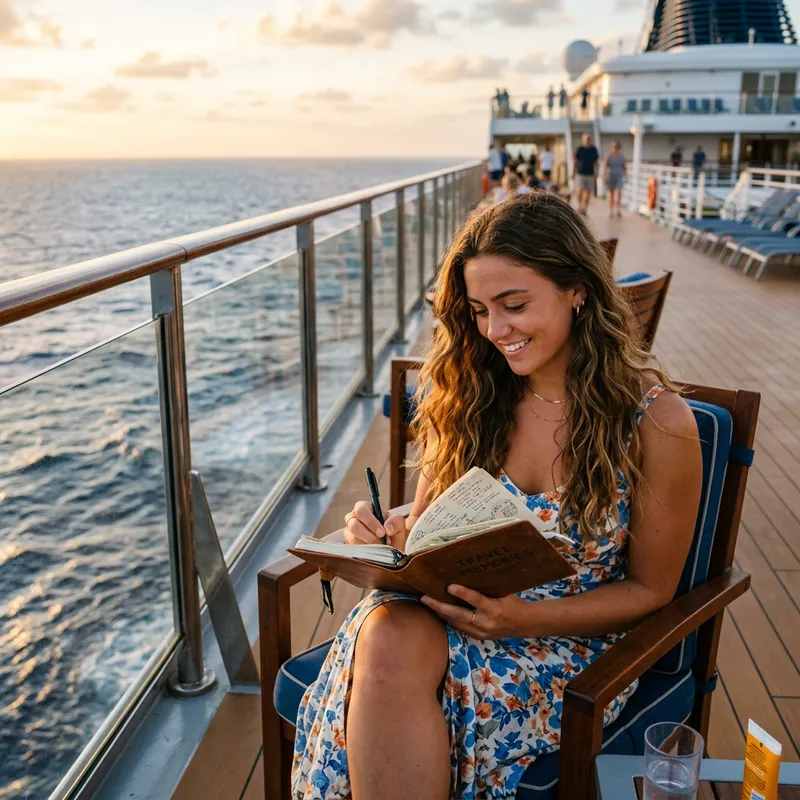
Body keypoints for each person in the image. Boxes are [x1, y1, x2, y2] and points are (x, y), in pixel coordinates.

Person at [291, 194, 702, 800]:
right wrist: (387, 542)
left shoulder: (655, 423)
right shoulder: (472, 395)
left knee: (388, 645)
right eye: (480, 310)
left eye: (514, 306)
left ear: (577, 289)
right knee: (388, 633)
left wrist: (517, 619)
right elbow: (426, 532)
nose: (494, 331)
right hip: (447, 620)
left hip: (567, 647)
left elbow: (651, 592)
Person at [573, 132, 599, 214]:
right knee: (579, 191)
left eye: (588, 138)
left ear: (590, 139)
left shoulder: (593, 149)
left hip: (590, 173)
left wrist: (597, 172)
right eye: (585, 138)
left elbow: (596, 162)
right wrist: (572, 172)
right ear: (583, 139)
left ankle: (584, 208)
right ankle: (580, 205)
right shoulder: (579, 149)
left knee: (587, 192)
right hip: (580, 173)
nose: (587, 140)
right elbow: (575, 161)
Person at [605, 140, 626, 217]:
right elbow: (606, 167)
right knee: (611, 194)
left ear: (619, 147)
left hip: (619, 176)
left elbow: (624, 166)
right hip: (611, 176)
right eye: (613, 146)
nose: (615, 148)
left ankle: (618, 209)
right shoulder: (609, 156)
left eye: (616, 146)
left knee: (619, 192)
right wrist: (606, 176)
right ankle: (611, 210)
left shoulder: (621, 156)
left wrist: (626, 175)